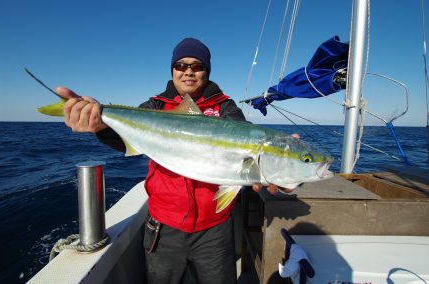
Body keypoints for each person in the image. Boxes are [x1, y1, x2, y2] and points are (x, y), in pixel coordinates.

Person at [56, 37, 285, 283]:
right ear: (173, 70)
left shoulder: (225, 108)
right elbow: (125, 139)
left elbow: (245, 136)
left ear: (206, 71)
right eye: (181, 65)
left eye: (197, 66)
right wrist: (99, 125)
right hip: (163, 228)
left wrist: (279, 155)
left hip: (214, 230)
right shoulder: (155, 106)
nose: (188, 71)